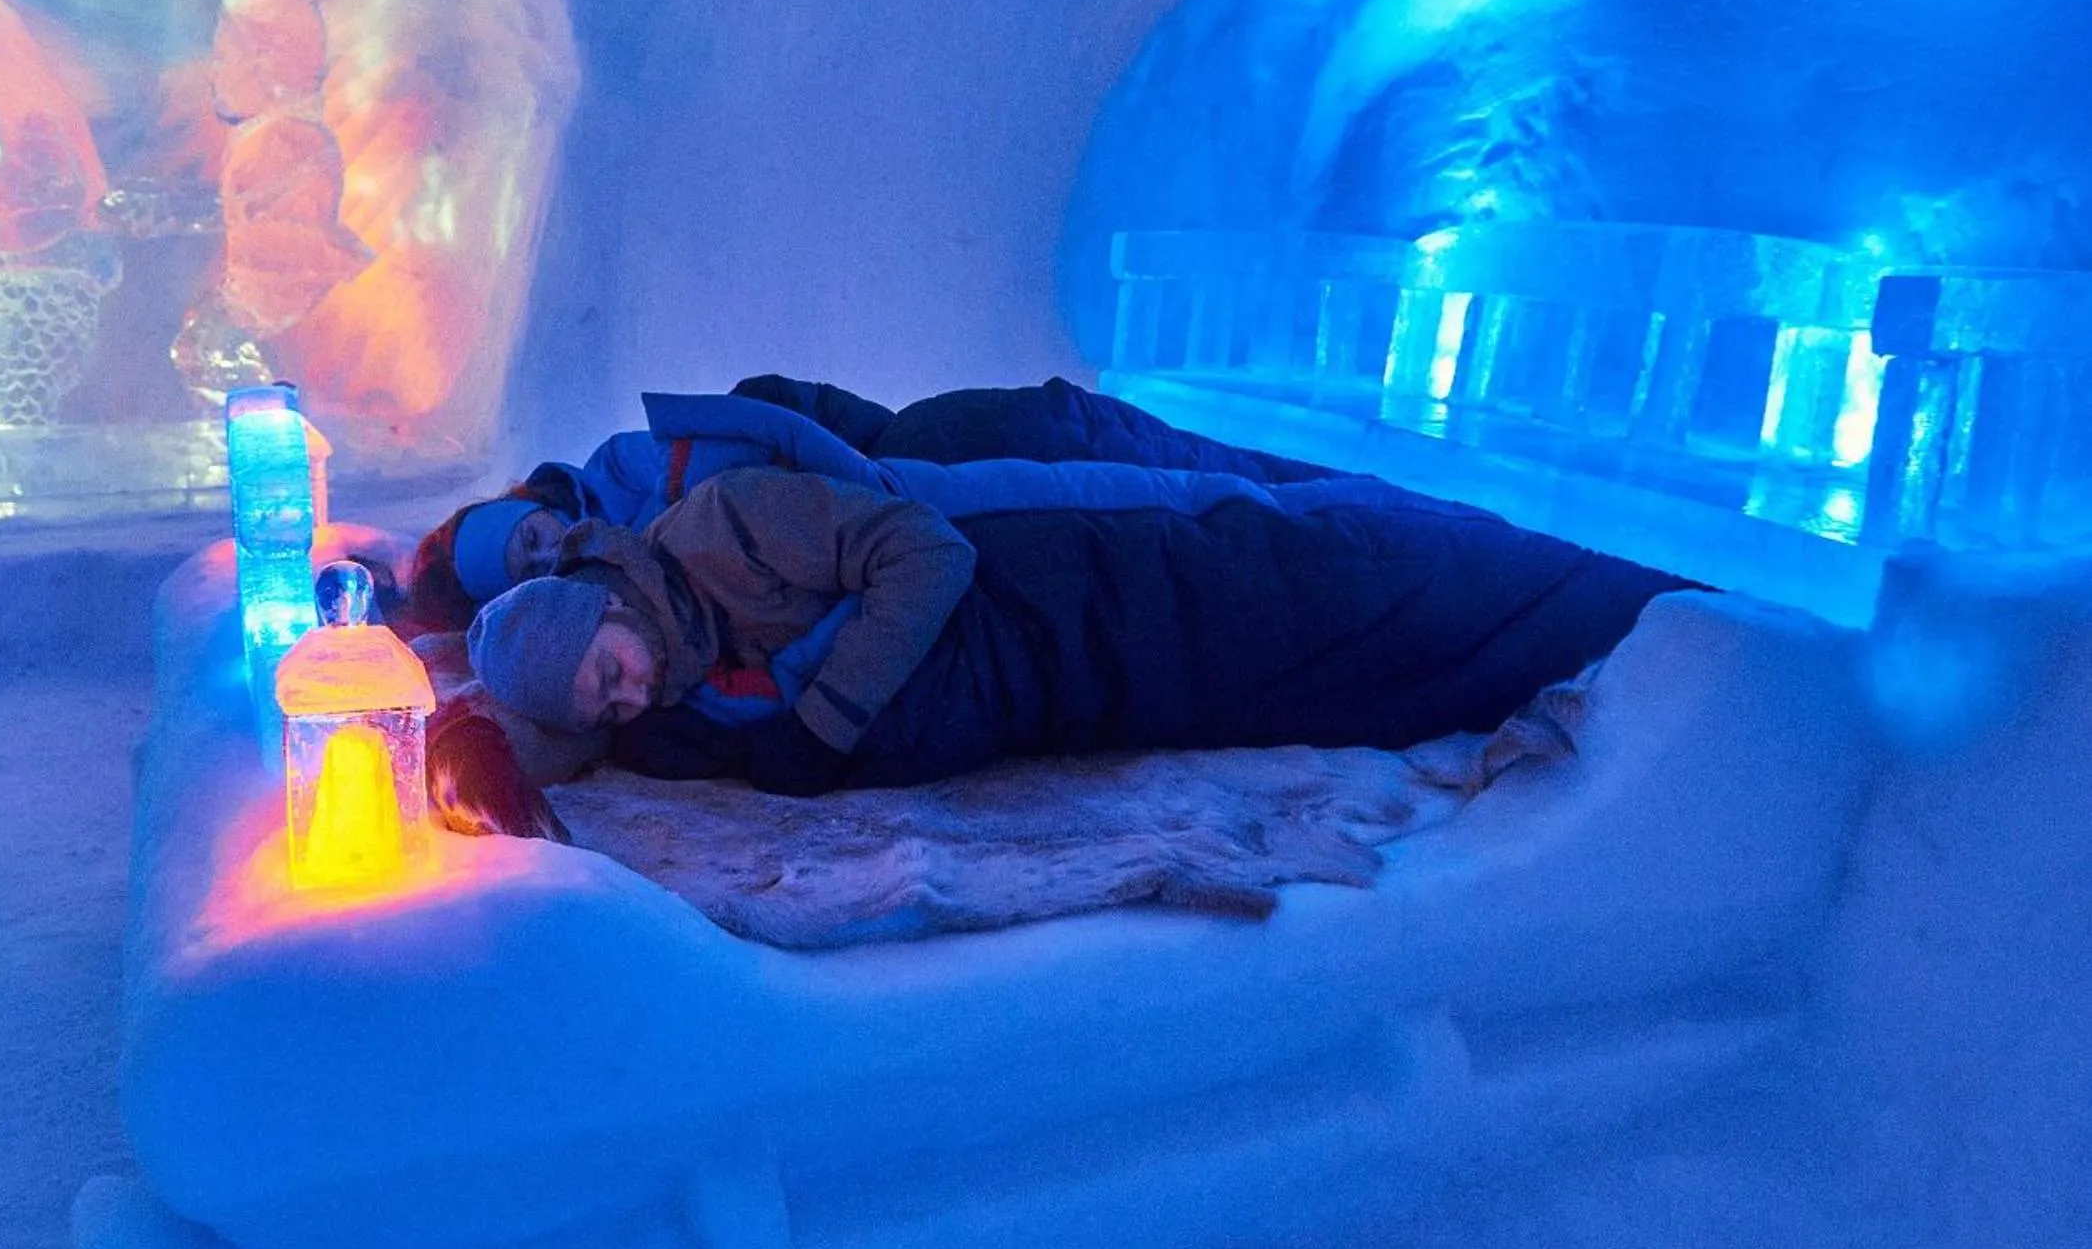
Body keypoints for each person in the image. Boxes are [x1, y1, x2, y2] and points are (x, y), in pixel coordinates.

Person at [449, 465, 1694, 818]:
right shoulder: (666, 667)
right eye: (602, 706)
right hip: (1086, 673)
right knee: (1359, 690)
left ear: (606, 611)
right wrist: (475, 749)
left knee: (1363, 578)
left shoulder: (720, 528)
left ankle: (1691, 611)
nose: (625, 701)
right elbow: (558, 732)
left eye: (604, 674)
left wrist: (830, 718)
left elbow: (925, 550)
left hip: (1070, 561)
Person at [394, 375, 1344, 632]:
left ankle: (1329, 487)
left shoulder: (626, 466)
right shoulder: (624, 614)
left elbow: (779, 414)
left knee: (1085, 427)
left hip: (904, 453)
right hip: (913, 520)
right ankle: (1334, 514)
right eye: (526, 570)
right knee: (1166, 508)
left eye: (525, 535)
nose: (542, 550)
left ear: (531, 505)